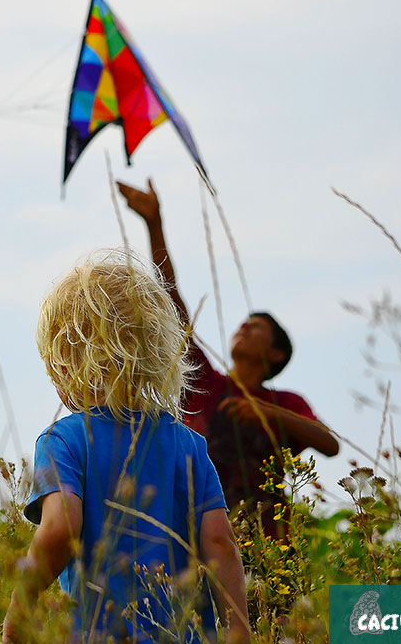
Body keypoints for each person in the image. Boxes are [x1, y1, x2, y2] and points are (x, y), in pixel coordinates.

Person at [3, 249, 249, 644]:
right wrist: (240, 628)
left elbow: (60, 528)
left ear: (63, 364)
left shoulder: (61, 441)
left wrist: (19, 614)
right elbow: (219, 540)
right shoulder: (189, 445)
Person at [116, 179, 340, 538]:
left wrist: (265, 413)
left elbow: (330, 444)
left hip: (268, 543)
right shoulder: (205, 381)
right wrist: (154, 224)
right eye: (243, 323)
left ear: (275, 353)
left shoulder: (286, 403)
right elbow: (171, 301)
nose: (243, 327)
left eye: (255, 327)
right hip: (193, 534)